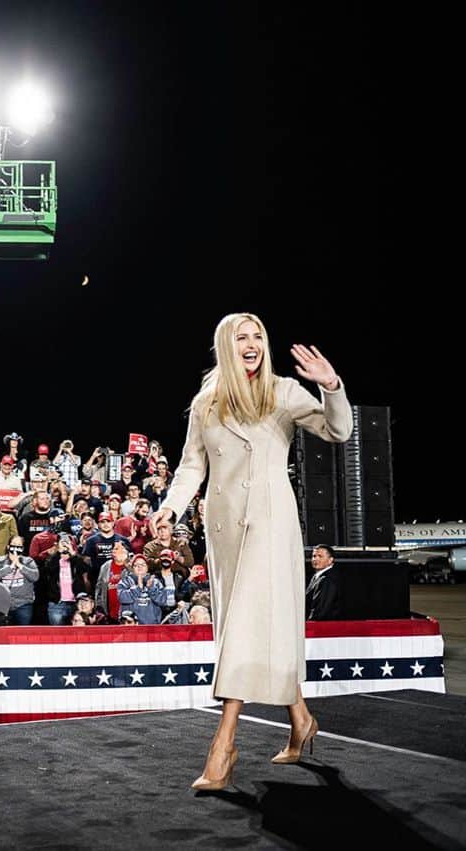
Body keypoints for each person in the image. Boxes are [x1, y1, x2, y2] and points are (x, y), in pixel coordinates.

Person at [149, 313, 352, 791]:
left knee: (244, 625)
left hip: (270, 523)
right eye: (241, 336)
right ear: (225, 345)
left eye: (258, 335)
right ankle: (300, 719)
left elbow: (337, 431)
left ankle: (223, 746)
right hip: (223, 531)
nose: (252, 343)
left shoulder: (282, 392)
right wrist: (170, 510)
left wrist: (332, 385)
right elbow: (190, 467)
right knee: (249, 627)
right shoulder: (206, 402)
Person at [305, 545, 343, 620]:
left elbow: (321, 609)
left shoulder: (327, 579)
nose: (315, 559)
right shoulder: (316, 577)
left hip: (321, 627)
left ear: (330, 560)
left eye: (320, 556)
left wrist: (310, 625)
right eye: (314, 556)